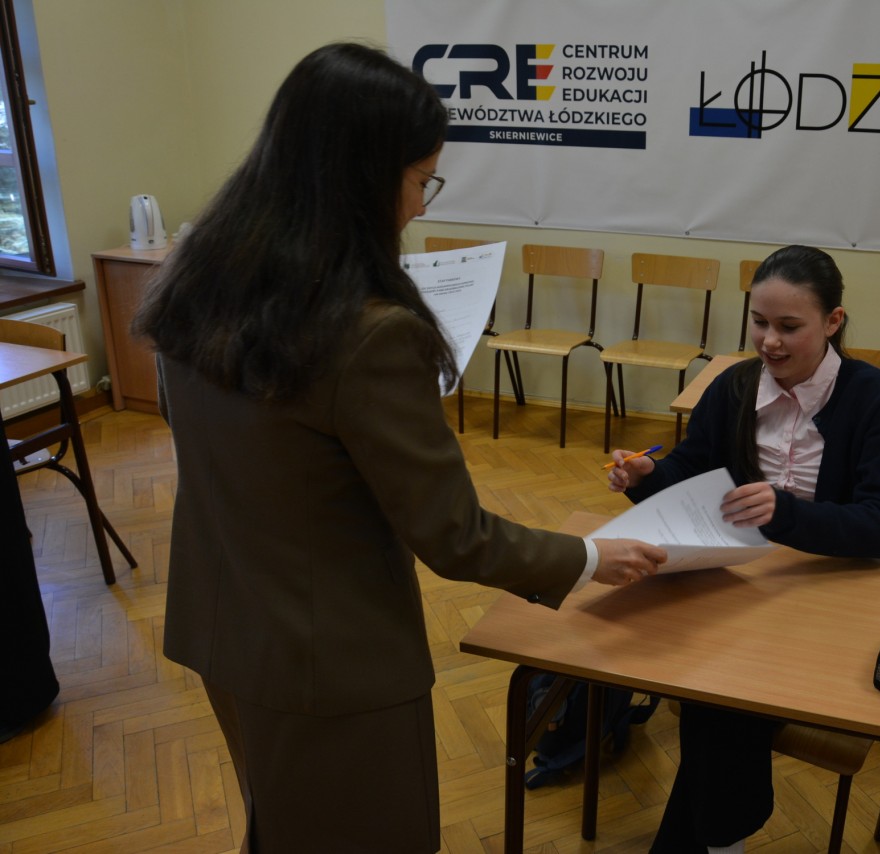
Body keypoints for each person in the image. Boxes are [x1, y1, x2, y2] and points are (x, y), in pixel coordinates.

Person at [131, 42, 665, 853]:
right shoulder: (368, 333)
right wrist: (590, 558)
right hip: (332, 661)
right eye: (420, 180)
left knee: (279, 824)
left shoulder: (195, 281)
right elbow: (454, 535)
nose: (419, 205)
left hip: (222, 624)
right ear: (361, 178)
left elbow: (220, 446)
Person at [607, 244, 880, 853]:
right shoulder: (734, 386)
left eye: (789, 327)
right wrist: (647, 476)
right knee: (714, 685)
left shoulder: (871, 394)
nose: (769, 341)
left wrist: (786, 512)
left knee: (718, 697)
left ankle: (716, 842)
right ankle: (722, 840)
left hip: (831, 595)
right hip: (744, 584)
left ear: (833, 321)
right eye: (759, 321)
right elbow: (691, 469)